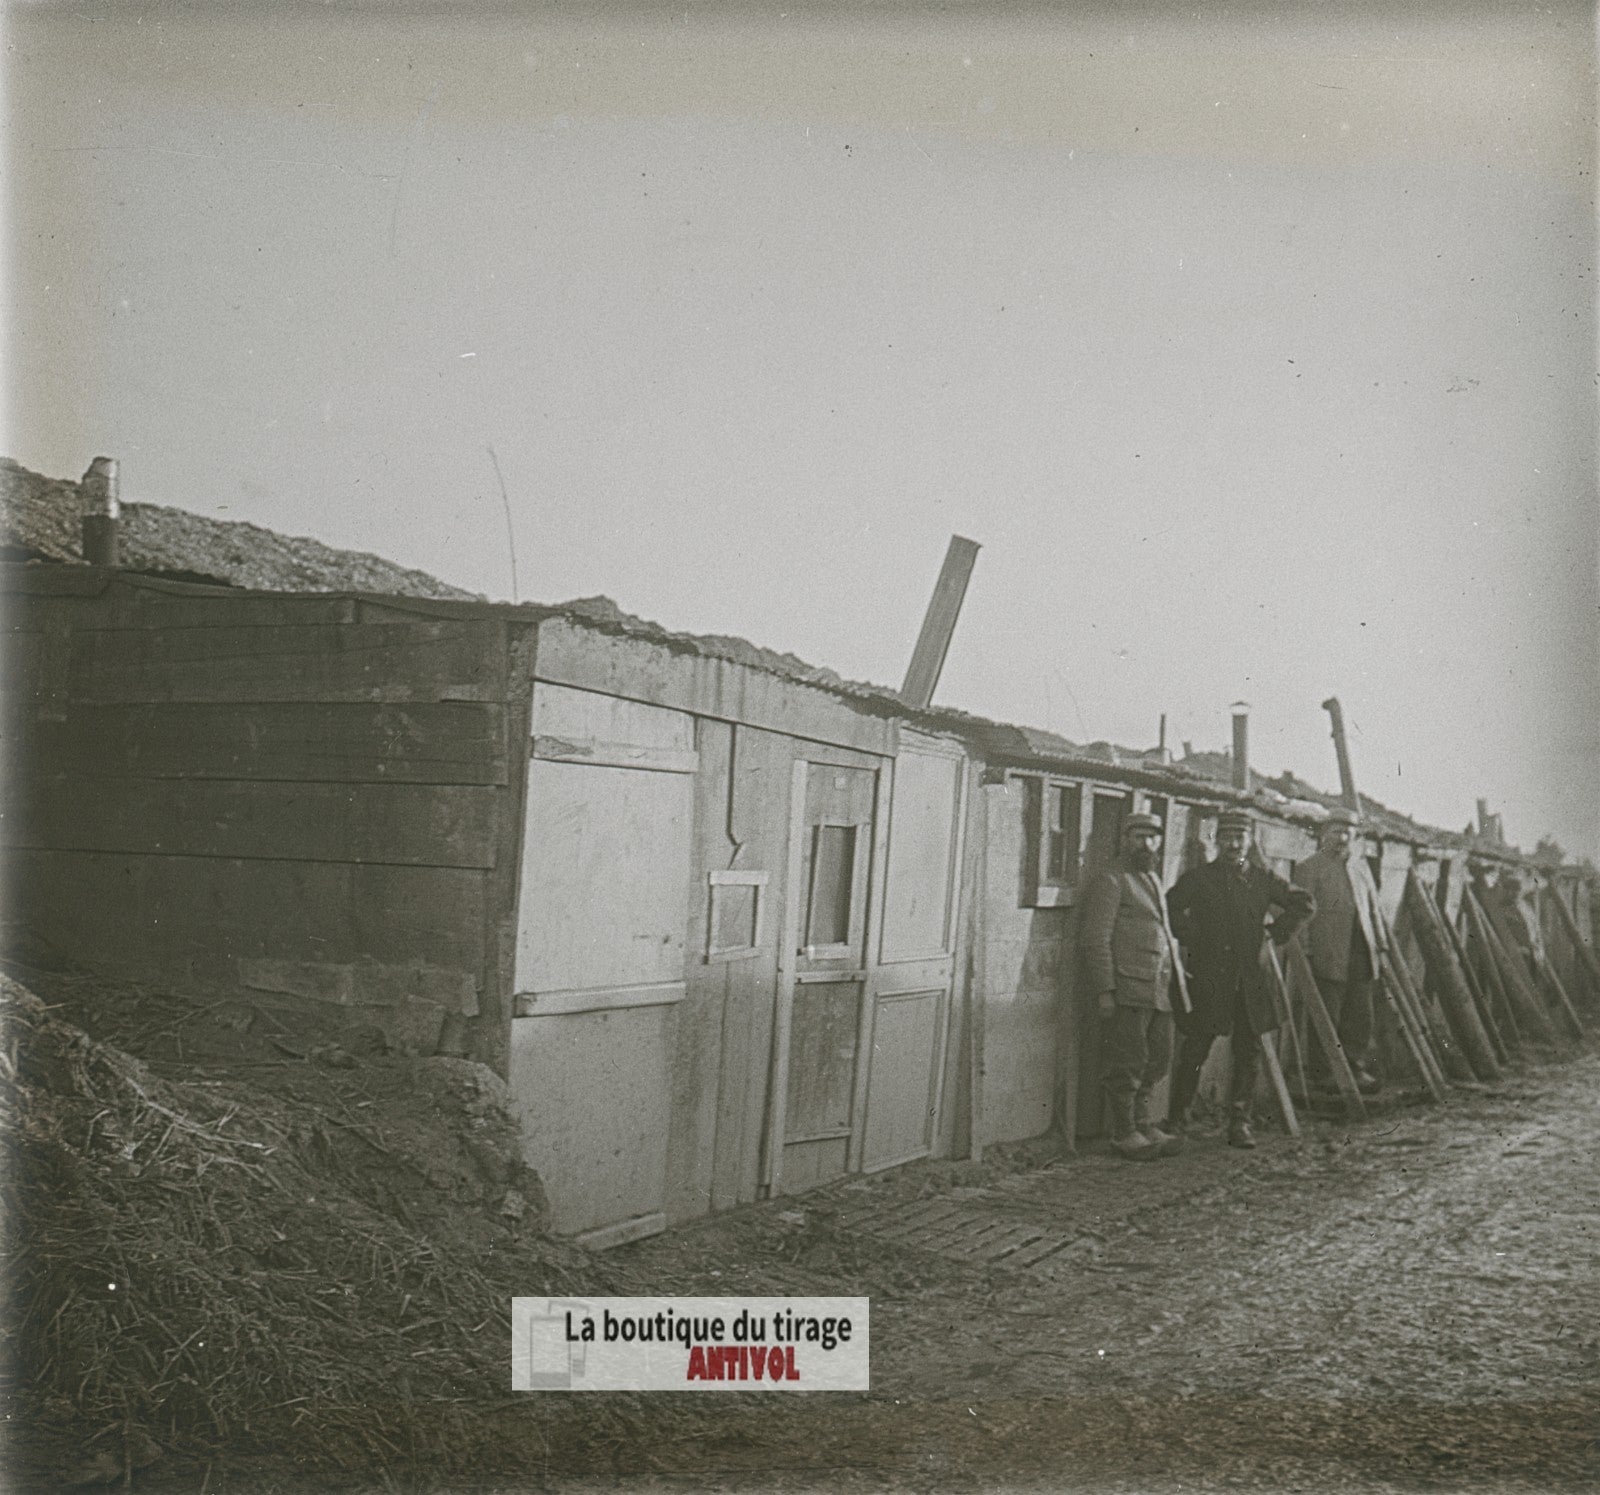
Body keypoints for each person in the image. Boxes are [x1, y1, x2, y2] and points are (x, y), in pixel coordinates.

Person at [1165, 809, 1314, 1149]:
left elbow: (1305, 903)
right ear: (1216, 840)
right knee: (1196, 1050)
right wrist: (1193, 935)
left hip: (1250, 980)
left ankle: (1239, 1122)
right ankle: (1177, 1119)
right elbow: (1169, 908)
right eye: (1227, 837)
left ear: (1250, 841)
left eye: (1240, 837)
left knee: (1248, 1053)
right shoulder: (1199, 879)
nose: (1233, 844)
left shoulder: (1262, 880)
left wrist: (1276, 932)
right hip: (1210, 978)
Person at [1079, 812, 1186, 1161]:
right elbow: (1096, 939)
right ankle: (1124, 1133)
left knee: (1158, 1059)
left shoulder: (1153, 879)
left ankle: (1143, 1122)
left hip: (1158, 987)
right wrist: (1105, 990)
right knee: (1127, 1062)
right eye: (1139, 837)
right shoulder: (1112, 880)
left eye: (1153, 838)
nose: (1147, 844)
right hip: (1127, 987)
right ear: (1126, 839)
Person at [1292, 808, 1385, 1095]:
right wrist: (1306, 951)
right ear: (1324, 834)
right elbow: (1299, 914)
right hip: (1327, 952)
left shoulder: (1361, 868)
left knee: (1359, 1014)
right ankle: (1324, 1073)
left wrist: (1380, 943)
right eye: (1336, 831)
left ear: (1355, 836)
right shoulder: (1310, 868)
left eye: (1348, 832)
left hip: (1361, 950)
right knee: (1327, 1013)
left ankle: (1354, 1068)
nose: (1342, 837)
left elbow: (1373, 908)